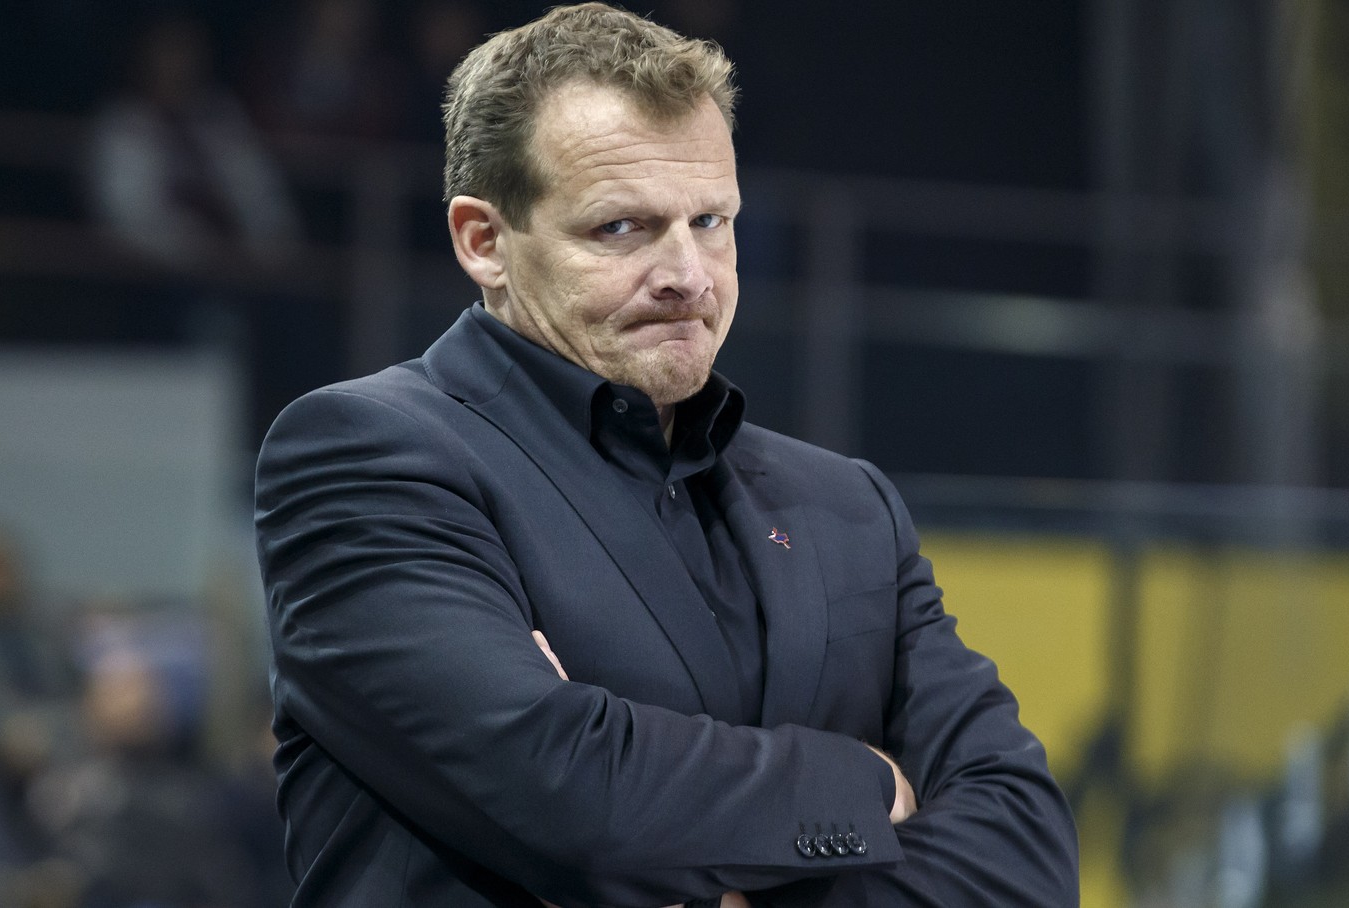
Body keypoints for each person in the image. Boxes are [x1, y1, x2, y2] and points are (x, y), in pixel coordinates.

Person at [253, 4, 1079, 907]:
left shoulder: (849, 507)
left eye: (711, 221)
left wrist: (694, 851)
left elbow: (1026, 856)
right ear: (482, 241)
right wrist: (870, 785)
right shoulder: (365, 457)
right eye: (622, 228)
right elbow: (579, 801)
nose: (689, 273)